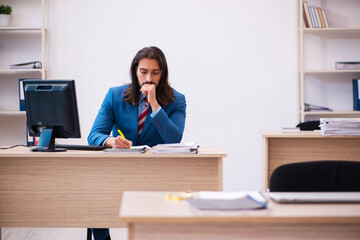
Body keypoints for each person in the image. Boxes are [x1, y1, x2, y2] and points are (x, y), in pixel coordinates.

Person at [87, 46, 186, 240]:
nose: (149, 78)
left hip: (155, 172)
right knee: (95, 196)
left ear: (162, 74)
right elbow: (94, 135)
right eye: (144, 72)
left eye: (155, 73)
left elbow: (175, 139)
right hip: (118, 168)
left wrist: (155, 104)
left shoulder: (177, 100)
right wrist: (110, 141)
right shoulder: (114, 95)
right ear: (135, 71)